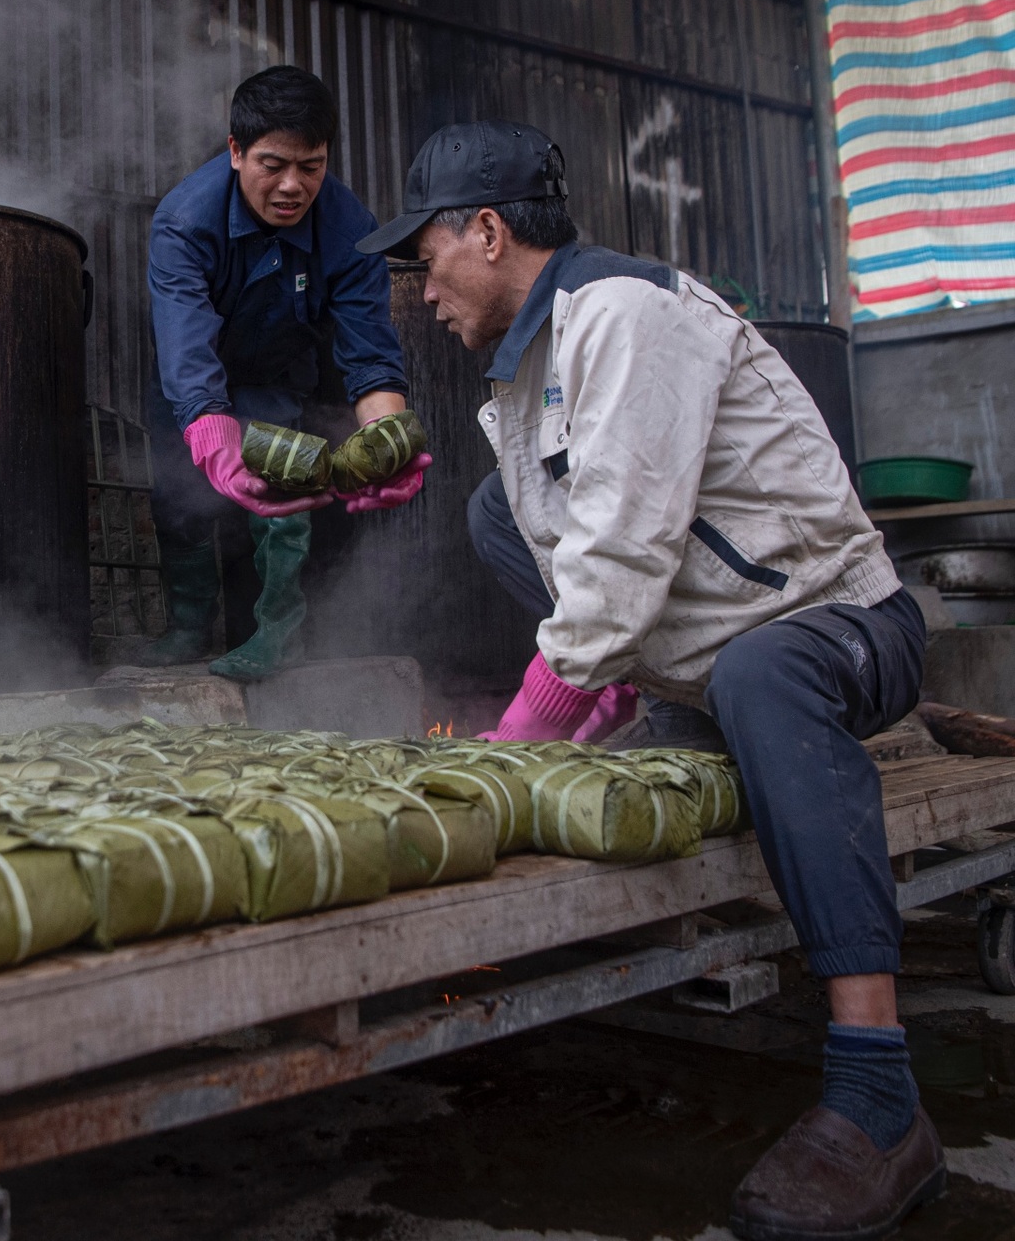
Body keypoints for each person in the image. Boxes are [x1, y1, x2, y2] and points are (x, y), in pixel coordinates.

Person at [358, 121, 937, 1241]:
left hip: (838, 627)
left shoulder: (624, 315)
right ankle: (671, 701)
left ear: (486, 231)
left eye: (425, 258)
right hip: (721, 656)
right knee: (496, 514)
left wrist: (528, 737)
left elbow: (620, 558)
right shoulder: (529, 369)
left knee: (765, 671)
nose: (420, 290)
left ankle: (879, 1091)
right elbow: (579, 554)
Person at [139, 66, 423, 681]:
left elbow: (370, 356)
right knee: (176, 494)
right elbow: (185, 339)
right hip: (192, 379)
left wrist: (390, 438)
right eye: (273, 165)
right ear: (236, 151)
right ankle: (187, 626)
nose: (293, 186)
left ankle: (278, 633)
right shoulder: (184, 221)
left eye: (312, 166)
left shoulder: (352, 230)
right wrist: (211, 436)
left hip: (280, 373)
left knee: (286, 489)